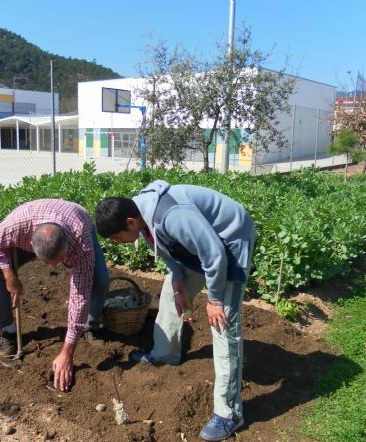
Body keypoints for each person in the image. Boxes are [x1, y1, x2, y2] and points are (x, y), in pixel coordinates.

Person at [95, 180, 256, 442]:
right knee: (171, 293)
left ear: (130, 222)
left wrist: (214, 300)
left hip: (230, 240)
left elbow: (214, 254)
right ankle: (165, 352)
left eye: (117, 238)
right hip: (205, 244)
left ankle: (229, 413)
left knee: (223, 323)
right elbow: (169, 251)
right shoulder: (142, 218)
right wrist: (179, 283)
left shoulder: (171, 215)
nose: (119, 243)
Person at [0, 199, 109, 392]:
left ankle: (90, 325)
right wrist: (9, 275)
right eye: (49, 263)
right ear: (31, 245)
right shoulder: (16, 226)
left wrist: (67, 351)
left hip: (78, 218)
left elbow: (79, 296)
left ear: (67, 246)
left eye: (59, 261)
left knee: (100, 279)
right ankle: (8, 330)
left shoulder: (80, 242)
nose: (55, 268)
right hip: (31, 224)